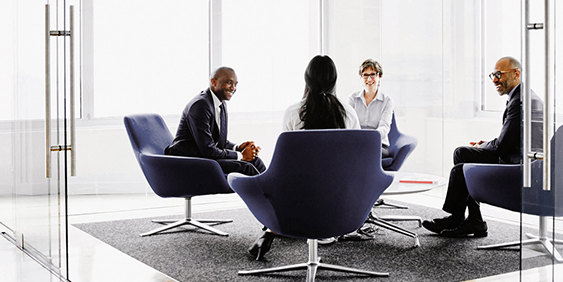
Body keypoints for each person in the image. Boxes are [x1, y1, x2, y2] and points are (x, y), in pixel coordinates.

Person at [251, 55, 360, 260]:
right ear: (334, 81)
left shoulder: (293, 113)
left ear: (306, 80)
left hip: (300, 199)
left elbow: (285, 165)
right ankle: (319, 226)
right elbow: (355, 162)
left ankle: (273, 229)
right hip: (341, 200)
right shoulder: (349, 113)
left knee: (278, 178)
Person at [421, 56, 544, 237]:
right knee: (462, 153)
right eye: (493, 74)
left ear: (517, 74)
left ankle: (459, 218)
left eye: (499, 74)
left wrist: (485, 145)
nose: (495, 79)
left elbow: (502, 146)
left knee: (460, 170)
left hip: (518, 166)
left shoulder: (520, 101)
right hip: (514, 156)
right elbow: (509, 139)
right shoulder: (520, 96)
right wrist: (484, 145)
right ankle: (473, 220)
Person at [165, 66, 265, 176]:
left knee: (255, 160)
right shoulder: (200, 105)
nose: (233, 88)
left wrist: (238, 147)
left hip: (205, 156)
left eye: (235, 84)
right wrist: (241, 156)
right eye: (229, 83)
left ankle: (274, 190)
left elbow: (217, 141)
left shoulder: (221, 104)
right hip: (189, 160)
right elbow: (208, 150)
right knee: (246, 167)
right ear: (214, 82)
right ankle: (266, 192)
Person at [347, 59, 395, 158]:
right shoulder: (352, 99)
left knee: (365, 152)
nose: (369, 79)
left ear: (379, 76)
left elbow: (384, 127)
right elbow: (348, 124)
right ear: (361, 77)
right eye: (365, 75)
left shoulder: (387, 101)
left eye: (372, 74)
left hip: (378, 144)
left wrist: (369, 139)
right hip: (356, 142)